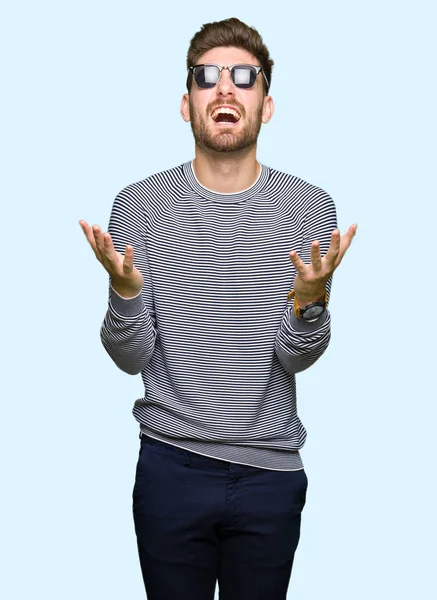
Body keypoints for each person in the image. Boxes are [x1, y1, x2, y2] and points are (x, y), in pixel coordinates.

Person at [80, 17, 357, 600]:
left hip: (270, 478)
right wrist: (125, 293)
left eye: (242, 77)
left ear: (267, 103)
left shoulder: (310, 209)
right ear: (186, 104)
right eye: (207, 77)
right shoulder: (139, 206)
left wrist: (310, 304)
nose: (225, 88)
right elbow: (130, 357)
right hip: (170, 467)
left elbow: (297, 358)